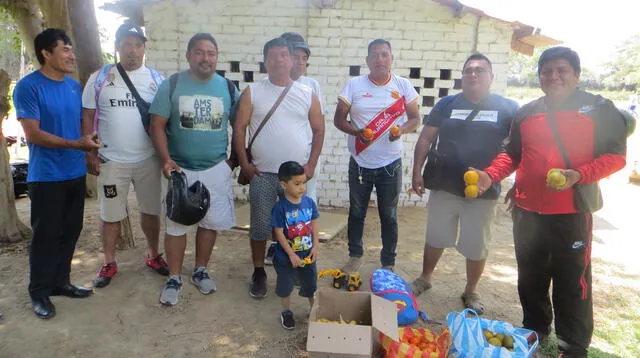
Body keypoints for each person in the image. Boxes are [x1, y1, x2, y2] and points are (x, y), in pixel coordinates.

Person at [474, 47, 627, 356]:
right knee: (530, 275)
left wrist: (579, 174)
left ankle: (572, 344)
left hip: (571, 212)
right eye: (547, 71)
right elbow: (511, 153)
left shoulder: (598, 108)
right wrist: (491, 175)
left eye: (562, 70)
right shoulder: (527, 112)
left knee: (572, 281)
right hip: (527, 210)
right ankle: (535, 328)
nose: (554, 76)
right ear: (540, 76)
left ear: (576, 74)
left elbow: (616, 157)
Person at [409, 54, 519, 314]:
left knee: (477, 243)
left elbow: (518, 150)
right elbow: (425, 139)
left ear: (491, 77)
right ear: (462, 77)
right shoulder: (446, 104)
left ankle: (471, 291)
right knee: (435, 236)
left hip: (483, 190)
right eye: (468, 70)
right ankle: (425, 278)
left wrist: (517, 183)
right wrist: (416, 171)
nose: (473, 74)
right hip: (445, 183)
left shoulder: (508, 108)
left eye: (480, 70)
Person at [13, 28, 101, 319]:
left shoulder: (74, 87)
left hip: (74, 172)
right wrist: (76, 144)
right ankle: (39, 291)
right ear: (46, 54)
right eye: (63, 49)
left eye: (71, 48)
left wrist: (88, 152)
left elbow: (80, 127)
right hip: (46, 176)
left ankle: (61, 282)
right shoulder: (28, 87)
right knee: (46, 236)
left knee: (70, 231)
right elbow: (34, 134)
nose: (71, 55)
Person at [149, 33, 239, 306]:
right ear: (189, 56)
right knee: (176, 223)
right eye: (199, 52)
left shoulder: (227, 87)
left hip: (215, 167)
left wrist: (233, 160)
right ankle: (174, 276)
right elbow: (157, 125)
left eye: (211, 52)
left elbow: (242, 126)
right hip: (179, 168)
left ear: (216, 57)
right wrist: (166, 160)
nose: (206, 58)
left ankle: (200, 270)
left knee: (209, 222)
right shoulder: (172, 84)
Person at [234, 37, 324, 299]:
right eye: (272, 55)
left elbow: (319, 129)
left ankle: (291, 267)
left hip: (295, 177)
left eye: (283, 55)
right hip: (262, 172)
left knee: (295, 226)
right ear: (265, 61)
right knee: (261, 224)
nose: (278, 60)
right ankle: (259, 271)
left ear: (292, 59)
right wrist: (245, 164)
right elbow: (239, 128)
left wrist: (311, 164)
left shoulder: (307, 93)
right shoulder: (253, 91)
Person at [82, 23, 168, 289]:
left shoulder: (157, 80)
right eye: (127, 44)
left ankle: (153, 255)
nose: (133, 50)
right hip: (111, 161)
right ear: (117, 46)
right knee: (110, 215)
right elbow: (87, 114)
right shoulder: (99, 78)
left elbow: (165, 120)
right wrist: (90, 152)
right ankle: (109, 262)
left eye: (138, 45)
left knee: (151, 212)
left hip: (148, 160)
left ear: (144, 48)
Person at [333, 39, 420, 273]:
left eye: (384, 54)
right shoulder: (354, 85)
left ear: (392, 58)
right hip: (360, 163)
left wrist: (401, 130)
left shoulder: (403, 86)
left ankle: (388, 261)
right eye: (375, 55)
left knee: (389, 215)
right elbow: (339, 119)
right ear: (367, 60)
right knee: (357, 212)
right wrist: (357, 132)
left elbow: (415, 118)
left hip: (390, 164)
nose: (380, 59)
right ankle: (355, 256)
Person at [263, 32, 326, 266]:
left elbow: (320, 126)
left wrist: (311, 162)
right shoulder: (269, 86)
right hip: (276, 164)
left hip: (304, 160)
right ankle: (277, 247)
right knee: (278, 209)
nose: (299, 62)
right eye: (295, 56)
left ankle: (305, 252)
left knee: (303, 207)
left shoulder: (312, 86)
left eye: (303, 58)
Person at [270, 161, 319, 330]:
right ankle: (286, 311)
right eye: (297, 184)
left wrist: (315, 246)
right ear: (283, 185)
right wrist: (290, 254)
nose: (302, 188)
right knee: (285, 285)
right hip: (286, 257)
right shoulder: (280, 208)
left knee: (311, 283)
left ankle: (314, 308)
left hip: (308, 255)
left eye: (303, 183)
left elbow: (314, 224)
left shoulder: (310, 203)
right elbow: (278, 232)